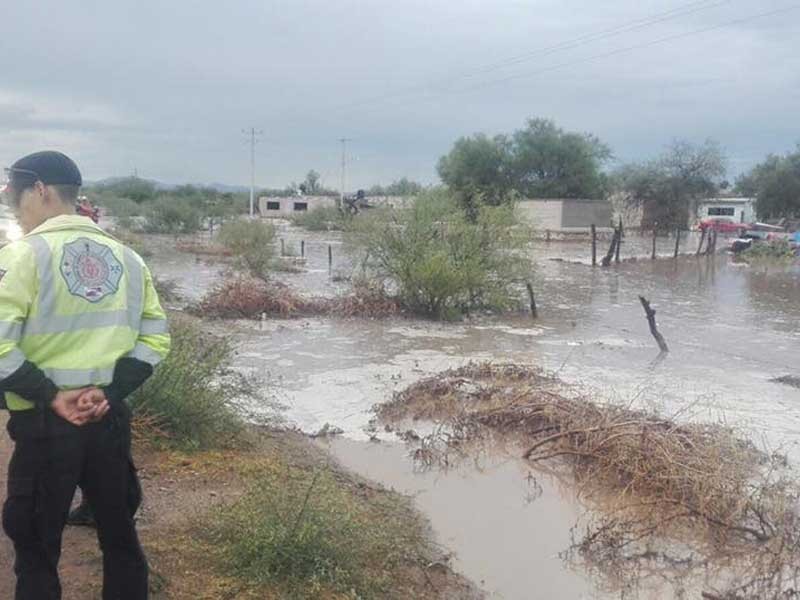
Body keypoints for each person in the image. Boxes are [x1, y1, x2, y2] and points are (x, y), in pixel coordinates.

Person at [0, 150, 171, 600]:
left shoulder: (21, 257)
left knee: (37, 549)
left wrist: (50, 395)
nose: (15, 209)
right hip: (107, 423)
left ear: (39, 190)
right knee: (119, 539)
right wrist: (109, 393)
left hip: (44, 429)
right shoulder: (129, 259)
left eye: (16, 197)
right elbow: (155, 339)